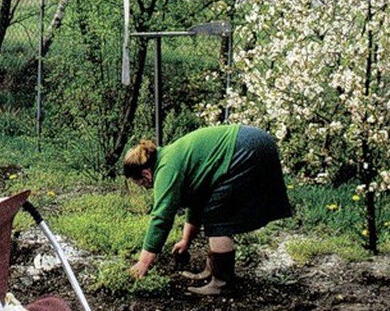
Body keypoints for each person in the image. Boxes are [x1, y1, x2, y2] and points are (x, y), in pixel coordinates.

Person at [123, 124, 292, 295]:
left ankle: (222, 283)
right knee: (212, 205)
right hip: (253, 141)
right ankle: (213, 270)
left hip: (245, 148)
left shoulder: (166, 168)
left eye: (143, 184)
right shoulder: (170, 156)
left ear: (145, 174)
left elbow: (161, 217)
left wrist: (143, 262)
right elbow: (197, 201)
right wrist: (186, 240)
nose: (147, 188)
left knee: (217, 215)